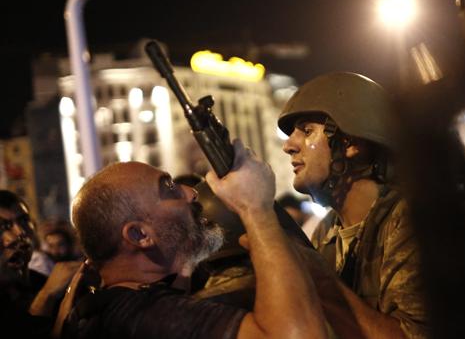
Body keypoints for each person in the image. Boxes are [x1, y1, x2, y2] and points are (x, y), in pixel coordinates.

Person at [60, 140, 328, 339]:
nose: (191, 193)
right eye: (169, 189)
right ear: (139, 235)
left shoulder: (104, 311)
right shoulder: (144, 316)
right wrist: (255, 208)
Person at [278, 71, 427, 338]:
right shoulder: (327, 232)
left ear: (350, 143)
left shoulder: (409, 219)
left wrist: (320, 281)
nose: (288, 146)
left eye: (307, 131)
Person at [0, 189, 81, 337]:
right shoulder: (49, 288)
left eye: (24, 221)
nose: (19, 233)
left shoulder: (42, 282)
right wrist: (46, 296)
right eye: (4, 226)